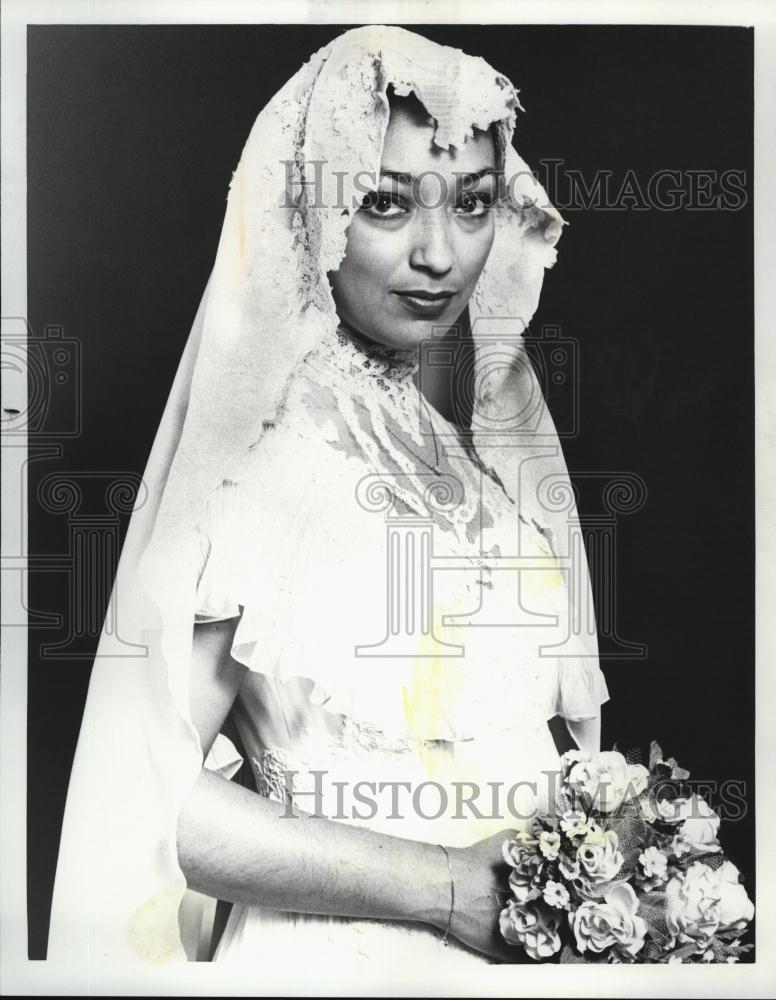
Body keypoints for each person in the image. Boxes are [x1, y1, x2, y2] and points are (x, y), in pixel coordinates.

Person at [48, 25, 608, 979]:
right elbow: (155, 796)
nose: (440, 254)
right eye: (384, 204)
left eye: (473, 204)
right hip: (340, 963)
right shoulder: (260, 457)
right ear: (311, 215)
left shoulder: (477, 441)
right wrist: (447, 888)